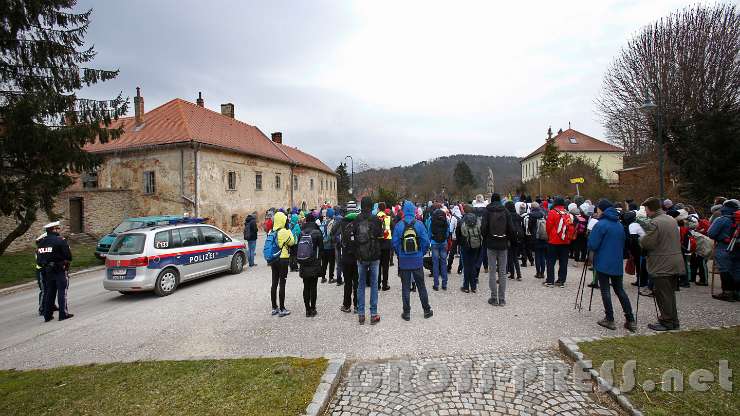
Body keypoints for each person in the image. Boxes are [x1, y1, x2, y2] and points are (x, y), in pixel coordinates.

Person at [587, 199, 636, 332]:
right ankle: (630, 319)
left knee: (605, 290)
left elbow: (592, 245)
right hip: (617, 261)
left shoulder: (601, 224)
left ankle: (610, 319)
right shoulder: (619, 224)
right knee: (619, 290)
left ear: (601, 210)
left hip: (603, 260)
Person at [639, 197, 684, 331]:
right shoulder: (670, 219)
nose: (645, 212)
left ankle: (667, 321)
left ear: (650, 209)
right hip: (674, 261)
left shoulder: (655, 222)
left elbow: (648, 243)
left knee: (662, 294)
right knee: (669, 293)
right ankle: (673, 320)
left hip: (662, 263)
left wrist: (641, 239)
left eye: (646, 209)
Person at [393, 200, 433, 321]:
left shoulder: (399, 225)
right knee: (421, 286)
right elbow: (426, 242)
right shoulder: (419, 224)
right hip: (417, 260)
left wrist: (400, 254)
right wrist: (421, 253)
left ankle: (406, 313)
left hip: (404, 261)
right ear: (414, 210)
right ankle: (426, 310)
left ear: (404, 211)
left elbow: (394, 243)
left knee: (405, 287)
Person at [354, 196, 384, 325]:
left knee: (360, 285)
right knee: (374, 284)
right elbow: (380, 234)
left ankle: (361, 314)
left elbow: (354, 236)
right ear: (372, 206)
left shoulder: (357, 219)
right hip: (374, 255)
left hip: (361, 255)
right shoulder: (376, 219)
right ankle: (373, 314)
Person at [481, 193, 514, 306]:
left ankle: (494, 297)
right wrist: (508, 239)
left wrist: (486, 238)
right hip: (503, 244)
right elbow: (511, 228)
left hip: (491, 244)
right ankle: (502, 298)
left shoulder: (487, 211)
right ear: (500, 200)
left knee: (492, 271)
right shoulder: (505, 211)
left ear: (491, 199)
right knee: (503, 272)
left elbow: (483, 228)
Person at [36, 221, 73, 322]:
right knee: (62, 291)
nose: (58, 230)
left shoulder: (41, 243)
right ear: (54, 229)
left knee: (50, 293)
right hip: (60, 269)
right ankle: (63, 314)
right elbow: (68, 256)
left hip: (47, 271)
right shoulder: (60, 240)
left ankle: (47, 316)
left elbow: (39, 260)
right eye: (58, 229)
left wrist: (46, 265)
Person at [707, 199, 739, 302]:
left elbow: (711, 233)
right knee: (737, 269)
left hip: (724, 247)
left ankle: (727, 293)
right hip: (738, 248)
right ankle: (737, 293)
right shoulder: (738, 219)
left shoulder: (722, 219)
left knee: (725, 269)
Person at [297, 211, 324, 317]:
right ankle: (313, 308)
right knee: (313, 287)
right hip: (314, 263)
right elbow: (321, 249)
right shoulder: (317, 232)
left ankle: (307, 310)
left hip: (304, 263)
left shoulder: (301, 232)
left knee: (306, 286)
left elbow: (297, 248)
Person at [270, 211, 295, 317]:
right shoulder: (286, 231)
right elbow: (292, 242)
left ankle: (274, 307)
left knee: (274, 283)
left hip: (274, 259)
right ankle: (282, 308)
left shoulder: (272, 232)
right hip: (283, 259)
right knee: (282, 283)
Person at [545, 197, 574, 288]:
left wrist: (549, 236)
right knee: (563, 262)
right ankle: (561, 281)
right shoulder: (568, 213)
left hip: (553, 240)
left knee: (550, 261)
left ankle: (550, 281)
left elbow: (548, 226)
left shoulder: (552, 212)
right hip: (565, 241)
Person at [335, 211, 359, 313]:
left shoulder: (341, 223)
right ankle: (357, 306)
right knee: (357, 283)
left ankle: (346, 305)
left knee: (347, 282)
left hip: (346, 258)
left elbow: (333, 235)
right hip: (357, 258)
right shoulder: (359, 223)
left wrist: (339, 244)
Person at [427, 205, 450, 290]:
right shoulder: (445, 219)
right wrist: (445, 238)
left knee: (435, 264)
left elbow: (429, 232)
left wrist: (429, 242)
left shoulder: (431, 219)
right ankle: (444, 284)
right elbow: (448, 231)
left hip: (434, 242)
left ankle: (436, 284)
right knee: (444, 263)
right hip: (443, 242)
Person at [504, 201, 523, 281]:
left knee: (509, 256)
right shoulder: (518, 216)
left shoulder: (507, 216)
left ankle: (512, 274)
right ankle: (519, 275)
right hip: (518, 237)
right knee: (515, 256)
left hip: (509, 237)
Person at [528, 202, 547, 279]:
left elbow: (529, 226)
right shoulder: (543, 213)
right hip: (544, 236)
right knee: (542, 255)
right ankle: (542, 273)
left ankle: (538, 273)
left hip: (535, 237)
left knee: (537, 255)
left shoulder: (531, 215)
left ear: (532, 207)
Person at [377, 202, 392, 291]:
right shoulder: (388, 218)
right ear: (385, 208)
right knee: (385, 265)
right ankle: (385, 284)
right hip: (386, 243)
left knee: (377, 265)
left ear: (378, 208)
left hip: (377, 243)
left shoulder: (374, 218)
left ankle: (377, 284)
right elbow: (392, 229)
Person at [320, 208, 337, 283]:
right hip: (329, 246)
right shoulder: (331, 222)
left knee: (324, 262)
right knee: (331, 263)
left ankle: (323, 277)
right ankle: (331, 278)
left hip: (323, 246)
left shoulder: (323, 222)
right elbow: (330, 235)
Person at [447, 205, 462, 274]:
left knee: (452, 253)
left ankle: (449, 267)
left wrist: (450, 234)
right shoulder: (461, 216)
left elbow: (450, 228)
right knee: (461, 253)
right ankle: (460, 269)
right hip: (461, 237)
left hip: (454, 237)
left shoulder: (453, 217)